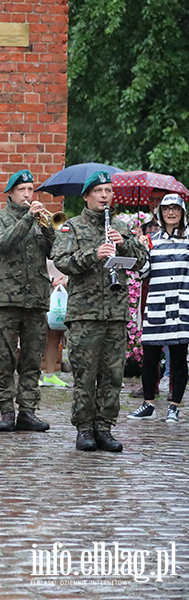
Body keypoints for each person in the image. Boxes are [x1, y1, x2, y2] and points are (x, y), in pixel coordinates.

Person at [51, 170, 148, 452]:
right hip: (85, 314)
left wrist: (124, 243)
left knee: (112, 375)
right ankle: (84, 429)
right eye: (98, 191)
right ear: (87, 196)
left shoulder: (120, 226)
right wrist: (94, 255)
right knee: (85, 374)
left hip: (115, 315)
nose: (104, 196)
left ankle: (104, 427)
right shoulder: (73, 227)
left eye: (108, 191)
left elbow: (141, 261)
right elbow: (62, 261)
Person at [0, 169, 55, 433]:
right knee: (4, 358)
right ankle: (5, 411)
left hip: (36, 299)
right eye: (22, 190)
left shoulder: (40, 221)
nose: (27, 194)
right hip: (5, 300)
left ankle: (27, 410)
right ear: (11, 193)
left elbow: (56, 251)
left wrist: (48, 230)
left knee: (31, 359)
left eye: (30, 189)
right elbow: (1, 244)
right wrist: (28, 219)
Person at [127, 193, 188, 423]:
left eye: (175, 209)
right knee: (150, 356)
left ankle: (174, 406)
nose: (170, 213)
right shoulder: (152, 240)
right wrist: (141, 251)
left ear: (182, 213)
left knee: (179, 356)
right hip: (157, 306)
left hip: (182, 306)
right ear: (160, 213)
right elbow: (143, 274)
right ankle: (148, 403)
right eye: (166, 209)